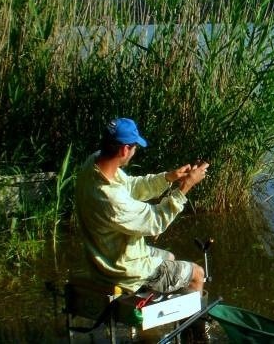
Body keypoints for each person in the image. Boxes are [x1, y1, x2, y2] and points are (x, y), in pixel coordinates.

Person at [74, 117, 210, 294]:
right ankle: (193, 322)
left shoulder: (93, 164)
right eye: (135, 147)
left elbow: (130, 186)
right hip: (124, 272)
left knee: (169, 257)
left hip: (108, 259)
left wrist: (168, 177)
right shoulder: (111, 199)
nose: (135, 150)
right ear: (124, 150)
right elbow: (156, 221)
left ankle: (161, 312)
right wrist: (186, 186)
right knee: (197, 274)